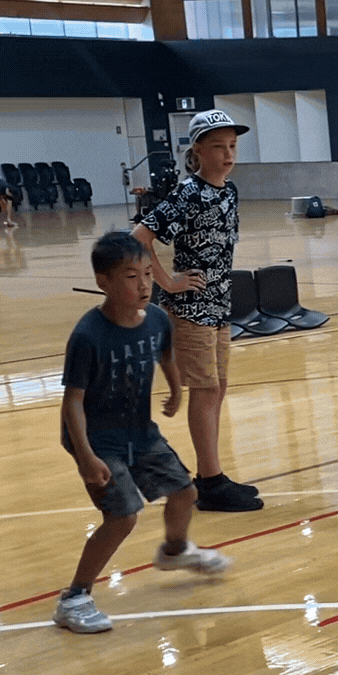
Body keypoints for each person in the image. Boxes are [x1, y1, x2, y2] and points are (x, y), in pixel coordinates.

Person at [53, 232, 231, 635]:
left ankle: (174, 550)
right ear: (105, 282)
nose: (145, 284)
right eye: (132, 276)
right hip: (97, 440)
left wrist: (174, 387)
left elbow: (165, 351)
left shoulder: (156, 318)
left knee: (185, 492)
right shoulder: (88, 336)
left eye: (149, 273)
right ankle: (75, 597)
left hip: (139, 431)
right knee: (122, 517)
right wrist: (85, 457)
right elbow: (72, 403)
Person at [132, 109, 262, 512]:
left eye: (233, 146)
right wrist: (167, 283)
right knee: (205, 391)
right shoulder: (188, 193)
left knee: (217, 389)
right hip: (190, 310)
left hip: (220, 305)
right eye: (218, 147)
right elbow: (139, 236)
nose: (228, 154)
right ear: (198, 151)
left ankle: (213, 474)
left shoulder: (229, 191)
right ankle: (210, 480)